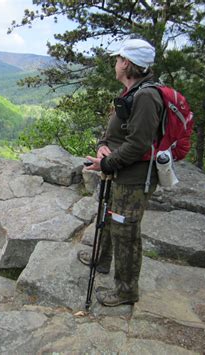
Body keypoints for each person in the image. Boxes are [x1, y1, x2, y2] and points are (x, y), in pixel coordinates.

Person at [79, 38, 163, 307]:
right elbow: (116, 133)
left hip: (134, 179)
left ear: (126, 63)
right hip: (120, 173)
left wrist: (105, 164)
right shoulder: (132, 91)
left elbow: (138, 145)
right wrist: (104, 146)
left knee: (125, 233)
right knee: (109, 217)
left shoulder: (147, 96)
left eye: (117, 60)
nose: (115, 64)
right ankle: (101, 260)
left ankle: (127, 291)